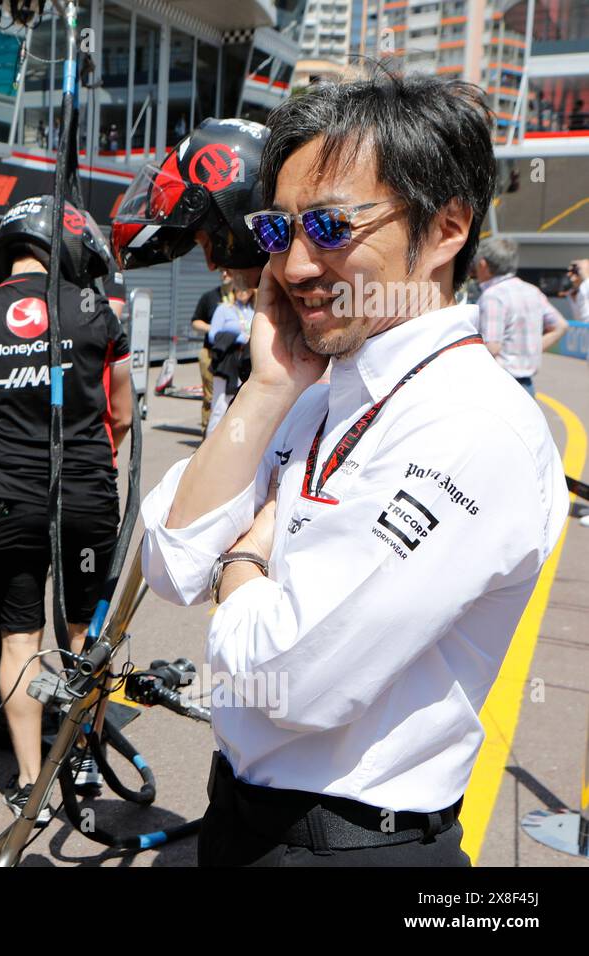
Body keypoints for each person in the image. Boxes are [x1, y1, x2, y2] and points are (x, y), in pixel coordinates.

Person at [138, 74, 567, 866]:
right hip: (241, 813)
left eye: (331, 226)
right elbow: (166, 560)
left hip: (357, 847)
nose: (297, 267)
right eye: (278, 232)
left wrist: (244, 555)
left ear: (444, 230)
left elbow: (292, 676)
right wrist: (266, 390)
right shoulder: (316, 388)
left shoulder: (469, 423)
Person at [0, 194, 133, 824]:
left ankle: (31, 783)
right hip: (89, 497)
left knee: (20, 635)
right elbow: (119, 415)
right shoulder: (98, 311)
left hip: (10, 501)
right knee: (83, 636)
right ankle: (84, 756)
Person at [472, 236, 566, 397]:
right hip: (527, 384)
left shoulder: (493, 295)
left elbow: (492, 346)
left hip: (500, 385)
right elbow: (560, 325)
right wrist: (533, 348)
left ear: (483, 264)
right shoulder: (532, 291)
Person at [205, 272, 256, 434]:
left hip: (245, 363)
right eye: (240, 288)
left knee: (238, 407)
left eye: (247, 288)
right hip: (227, 362)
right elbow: (213, 335)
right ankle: (208, 447)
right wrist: (239, 338)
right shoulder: (224, 309)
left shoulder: (251, 311)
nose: (243, 291)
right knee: (220, 406)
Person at [191, 271, 232, 434]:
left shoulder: (244, 298)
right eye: (222, 271)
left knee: (231, 399)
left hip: (233, 357)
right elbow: (195, 322)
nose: (224, 274)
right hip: (210, 354)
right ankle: (206, 437)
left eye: (228, 271)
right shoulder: (209, 297)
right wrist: (213, 327)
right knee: (210, 398)